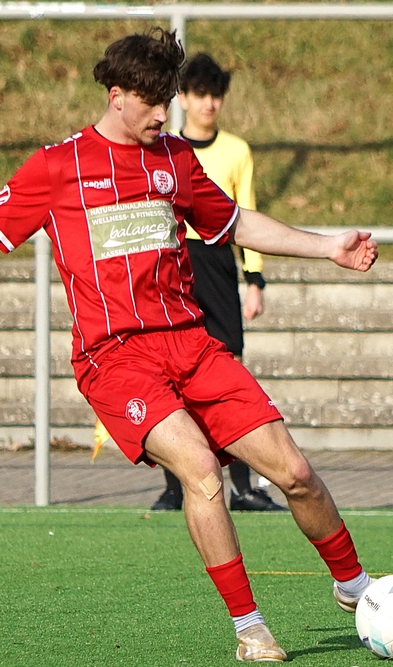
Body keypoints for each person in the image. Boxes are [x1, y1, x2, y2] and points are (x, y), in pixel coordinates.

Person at [0, 28, 378, 663]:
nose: (165, 114)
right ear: (116, 97)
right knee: (201, 468)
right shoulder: (58, 166)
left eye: (169, 100)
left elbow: (234, 222)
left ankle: (357, 587)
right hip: (114, 360)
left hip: (191, 344)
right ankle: (250, 627)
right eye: (153, 101)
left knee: (295, 473)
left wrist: (328, 246)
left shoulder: (175, 158)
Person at [148, 52, 283, 513]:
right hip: (174, 262)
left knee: (231, 373)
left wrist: (255, 279)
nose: (209, 104)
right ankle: (175, 486)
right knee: (172, 377)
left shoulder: (237, 151)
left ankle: (243, 487)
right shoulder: (163, 149)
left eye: (216, 95)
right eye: (200, 94)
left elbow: (246, 215)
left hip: (219, 262)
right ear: (183, 98)